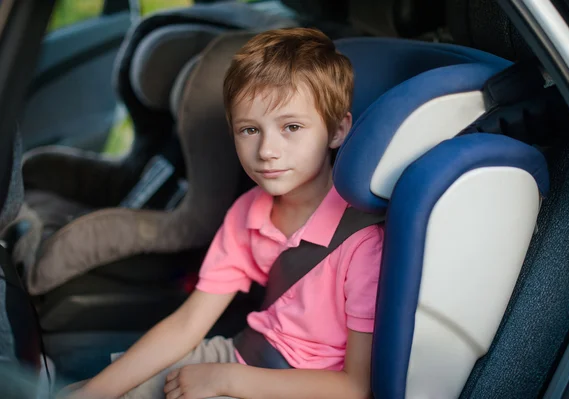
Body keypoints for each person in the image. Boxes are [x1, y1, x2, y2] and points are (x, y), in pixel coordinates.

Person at [70, 27, 383, 399]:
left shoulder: (363, 243)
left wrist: (227, 380)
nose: (267, 150)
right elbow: (188, 324)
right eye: (250, 129)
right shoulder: (249, 212)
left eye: (292, 127)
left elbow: (355, 387)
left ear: (337, 130)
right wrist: (93, 393)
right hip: (241, 355)